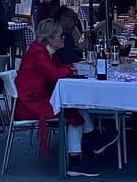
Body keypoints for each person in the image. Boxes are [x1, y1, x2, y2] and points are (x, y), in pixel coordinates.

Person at [15, 18, 117, 177]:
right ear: (49, 38)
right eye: (60, 36)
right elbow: (54, 74)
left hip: (39, 98)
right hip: (31, 103)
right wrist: (70, 70)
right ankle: (76, 160)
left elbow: (57, 68)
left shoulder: (45, 51)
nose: (64, 38)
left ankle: (92, 140)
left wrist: (68, 69)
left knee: (75, 106)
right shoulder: (38, 52)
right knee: (72, 112)